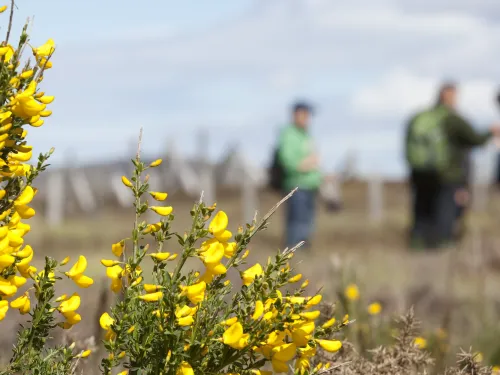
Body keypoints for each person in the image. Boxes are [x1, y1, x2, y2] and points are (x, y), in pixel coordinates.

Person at [405, 82, 500, 250]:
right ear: (449, 96)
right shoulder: (453, 119)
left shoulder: (419, 117)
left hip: (419, 172)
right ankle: (442, 247)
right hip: (448, 175)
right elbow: (475, 139)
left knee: (421, 210)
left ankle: (417, 245)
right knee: (445, 211)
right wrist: (491, 133)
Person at [277, 101, 322, 249]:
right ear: (296, 114)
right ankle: (293, 255)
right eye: (305, 114)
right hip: (297, 187)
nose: (307, 118)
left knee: (307, 224)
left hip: (309, 187)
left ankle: (302, 252)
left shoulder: (305, 135)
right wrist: (306, 163)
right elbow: (287, 161)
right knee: (297, 224)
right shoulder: (288, 134)